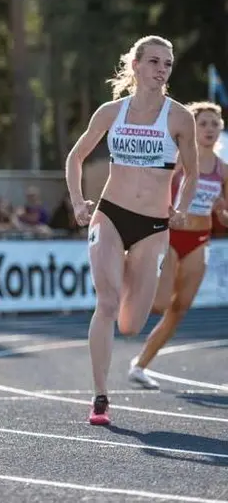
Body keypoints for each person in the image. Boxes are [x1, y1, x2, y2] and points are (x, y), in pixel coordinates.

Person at [64, 35, 198, 426]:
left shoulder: (178, 117)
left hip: (154, 225)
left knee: (130, 324)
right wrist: (77, 201)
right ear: (135, 65)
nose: (161, 69)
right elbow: (76, 156)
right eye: (154, 61)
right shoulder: (111, 112)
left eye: (168, 64)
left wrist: (183, 209)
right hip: (110, 215)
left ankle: (124, 270)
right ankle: (100, 396)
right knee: (106, 304)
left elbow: (191, 173)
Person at [128, 101, 228, 388]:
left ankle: (140, 365)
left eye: (214, 124)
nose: (209, 129)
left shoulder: (223, 170)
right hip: (171, 237)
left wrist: (222, 213)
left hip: (199, 240)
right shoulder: (178, 161)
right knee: (159, 305)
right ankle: (131, 275)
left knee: (180, 309)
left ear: (221, 129)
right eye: (203, 123)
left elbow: (225, 214)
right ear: (192, 129)